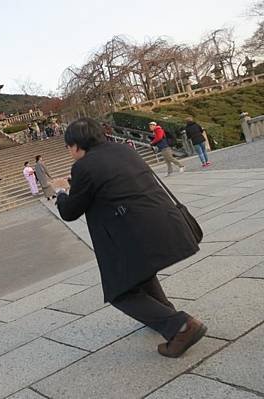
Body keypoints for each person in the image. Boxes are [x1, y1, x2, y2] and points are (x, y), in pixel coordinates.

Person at [56, 117, 206, 358]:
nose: (69, 151)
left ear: (76, 145)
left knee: (120, 293)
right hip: (166, 220)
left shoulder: (83, 166)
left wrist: (61, 192)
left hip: (135, 233)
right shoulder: (124, 150)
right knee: (139, 275)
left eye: (68, 147)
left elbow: (70, 211)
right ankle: (164, 315)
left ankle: (181, 326)